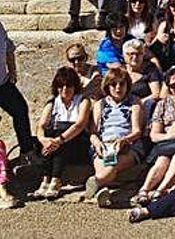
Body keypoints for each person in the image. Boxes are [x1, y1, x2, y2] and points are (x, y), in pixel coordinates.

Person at [133, 67, 175, 205]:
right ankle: (144, 190)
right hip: (168, 144)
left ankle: (160, 191)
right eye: (173, 85)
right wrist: (172, 135)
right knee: (162, 159)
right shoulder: (162, 104)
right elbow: (154, 135)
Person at [85, 67, 144, 208]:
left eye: (121, 84)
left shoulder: (135, 102)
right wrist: (97, 143)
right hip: (104, 144)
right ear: (107, 86)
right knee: (106, 166)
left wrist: (124, 140)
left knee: (110, 168)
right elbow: (93, 132)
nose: (118, 88)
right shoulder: (100, 104)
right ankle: (102, 192)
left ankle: (95, 184)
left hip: (127, 145)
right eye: (113, 84)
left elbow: (137, 131)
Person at [33, 67, 91, 200]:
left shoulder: (83, 101)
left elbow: (80, 124)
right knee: (44, 140)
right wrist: (44, 140)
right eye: (61, 86)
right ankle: (46, 179)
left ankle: (55, 179)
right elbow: (41, 125)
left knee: (60, 141)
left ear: (74, 86)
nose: (65, 89)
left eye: (69, 86)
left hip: (75, 141)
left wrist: (59, 140)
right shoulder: (53, 102)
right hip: (56, 141)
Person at [0, 20, 35, 160]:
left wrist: (13, 72)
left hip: (2, 83)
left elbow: (8, 47)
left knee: (20, 110)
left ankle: (27, 151)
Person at [122, 39, 162, 116]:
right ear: (124, 55)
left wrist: (137, 104)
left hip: (144, 106)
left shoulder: (150, 69)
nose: (135, 57)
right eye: (131, 54)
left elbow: (156, 94)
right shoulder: (121, 70)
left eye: (138, 54)